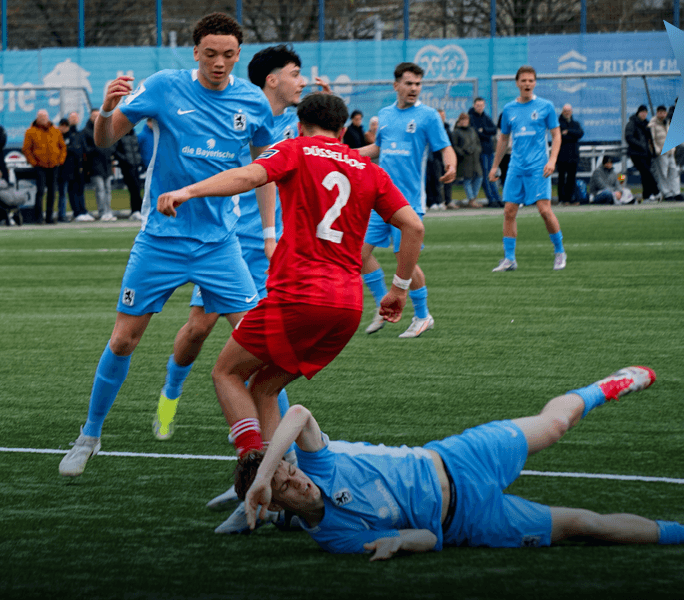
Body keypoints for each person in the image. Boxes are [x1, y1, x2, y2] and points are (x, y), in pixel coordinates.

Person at [159, 92, 422, 532]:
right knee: (264, 388)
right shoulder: (368, 169)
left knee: (225, 373)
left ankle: (254, 483)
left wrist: (190, 190)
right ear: (343, 131)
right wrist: (397, 290)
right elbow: (413, 225)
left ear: (301, 126)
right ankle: (287, 499)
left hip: (298, 295)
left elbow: (249, 175)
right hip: (346, 306)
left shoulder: (296, 149)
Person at [57, 12, 278, 478]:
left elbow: (265, 173)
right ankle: (90, 435)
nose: (219, 63)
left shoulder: (253, 102)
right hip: (161, 240)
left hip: (221, 245)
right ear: (195, 52)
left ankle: (284, 450)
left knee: (262, 344)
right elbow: (105, 139)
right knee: (123, 339)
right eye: (211, 54)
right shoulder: (163, 86)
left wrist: (267, 231)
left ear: (239, 56)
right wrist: (103, 109)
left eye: (229, 55)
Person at [236, 367, 684, 558]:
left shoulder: (319, 464)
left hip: (457, 461)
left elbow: (299, 410)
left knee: (553, 426)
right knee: (585, 526)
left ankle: (607, 387)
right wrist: (400, 541)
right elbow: (430, 541)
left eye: (288, 470)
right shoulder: (331, 537)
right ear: (278, 506)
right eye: (287, 485)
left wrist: (264, 473)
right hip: (467, 523)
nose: (296, 479)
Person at [151, 43, 312, 445]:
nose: (302, 81)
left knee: (263, 348)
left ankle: (273, 453)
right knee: (198, 329)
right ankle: (170, 396)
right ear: (271, 80)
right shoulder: (234, 117)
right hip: (231, 244)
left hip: (271, 252)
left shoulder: (296, 125)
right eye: (295, 73)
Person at [357, 62, 457, 339]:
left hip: (407, 203)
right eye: (409, 83)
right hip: (379, 200)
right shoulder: (385, 114)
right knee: (359, 253)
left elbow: (445, 147)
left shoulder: (427, 117)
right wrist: (350, 154)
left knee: (406, 262)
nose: (414, 88)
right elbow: (380, 147)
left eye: (418, 84)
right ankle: (382, 304)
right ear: (396, 85)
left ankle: (423, 316)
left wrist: (451, 164)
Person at [489, 66, 565, 272]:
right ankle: (510, 259)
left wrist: (552, 160)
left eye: (531, 80)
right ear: (517, 83)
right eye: (523, 80)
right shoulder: (509, 110)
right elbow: (503, 139)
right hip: (516, 166)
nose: (527, 84)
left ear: (535, 83)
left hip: (538, 167)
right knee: (509, 211)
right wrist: (495, 166)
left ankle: (559, 251)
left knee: (544, 211)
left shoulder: (545, 106)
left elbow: (557, 135)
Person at [22, 109, 66, 224]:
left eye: (45, 116)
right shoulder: (30, 132)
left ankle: (50, 217)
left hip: (53, 165)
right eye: (41, 117)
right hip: (40, 166)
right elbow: (26, 149)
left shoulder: (55, 131)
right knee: (40, 191)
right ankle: (39, 217)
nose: (43, 119)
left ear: (48, 117)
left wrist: (60, 161)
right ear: (37, 118)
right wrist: (33, 162)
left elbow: (62, 147)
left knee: (52, 192)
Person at [83, 108, 116, 221]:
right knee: (100, 190)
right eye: (94, 116)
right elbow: (87, 149)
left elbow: (112, 143)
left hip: (106, 164)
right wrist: (98, 149)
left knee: (108, 189)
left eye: (98, 116)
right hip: (94, 165)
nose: (96, 118)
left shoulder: (105, 128)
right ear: (91, 117)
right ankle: (102, 212)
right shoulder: (86, 131)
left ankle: (108, 211)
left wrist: (109, 151)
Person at [469, 97, 502, 208]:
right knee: (485, 175)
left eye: (481, 105)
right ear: (474, 106)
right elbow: (477, 133)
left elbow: (493, 129)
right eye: (478, 105)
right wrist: (485, 133)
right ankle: (491, 199)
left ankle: (497, 198)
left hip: (489, 150)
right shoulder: (471, 117)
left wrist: (484, 130)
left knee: (492, 174)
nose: (480, 107)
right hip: (481, 151)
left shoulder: (485, 117)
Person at [648, 106, 684, 203]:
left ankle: (676, 192)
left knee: (673, 172)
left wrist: (673, 147)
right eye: (660, 112)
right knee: (663, 174)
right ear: (657, 113)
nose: (662, 114)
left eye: (664, 112)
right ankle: (667, 193)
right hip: (661, 153)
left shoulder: (667, 122)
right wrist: (657, 150)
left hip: (670, 152)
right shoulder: (652, 124)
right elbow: (652, 139)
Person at [624, 105, 659, 203]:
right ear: (638, 112)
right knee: (647, 172)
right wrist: (641, 145)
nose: (644, 114)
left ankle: (647, 196)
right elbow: (629, 137)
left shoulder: (647, 124)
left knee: (645, 175)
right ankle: (656, 191)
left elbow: (651, 138)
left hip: (646, 154)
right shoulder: (632, 123)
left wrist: (653, 150)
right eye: (642, 112)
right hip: (636, 153)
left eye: (645, 112)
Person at [59, 112, 90, 222]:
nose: (74, 119)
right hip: (68, 167)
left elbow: (83, 149)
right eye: (72, 118)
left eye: (76, 117)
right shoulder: (64, 135)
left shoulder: (79, 133)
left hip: (79, 166)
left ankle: (83, 210)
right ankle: (76, 212)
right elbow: (67, 149)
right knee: (71, 190)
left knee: (80, 190)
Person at [451, 112, 483, 209]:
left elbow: (478, 143)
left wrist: (478, 150)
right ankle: (471, 199)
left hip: (475, 159)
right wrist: (462, 152)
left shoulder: (472, 130)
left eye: (466, 120)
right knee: (467, 179)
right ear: (459, 121)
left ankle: (473, 197)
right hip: (465, 159)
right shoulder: (456, 132)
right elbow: (454, 146)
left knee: (479, 177)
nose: (464, 122)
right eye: (462, 120)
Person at [113, 127, 145, 221]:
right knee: (134, 188)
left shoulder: (134, 135)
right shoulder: (119, 137)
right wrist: (125, 160)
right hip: (126, 167)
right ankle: (136, 210)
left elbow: (138, 150)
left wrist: (139, 161)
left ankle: (137, 210)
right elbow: (115, 151)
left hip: (136, 166)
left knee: (137, 188)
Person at [556, 104, 583, 206]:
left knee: (571, 178)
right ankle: (562, 199)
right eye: (565, 111)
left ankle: (570, 198)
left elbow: (580, 133)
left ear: (571, 112)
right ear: (562, 112)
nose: (567, 113)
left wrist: (568, 132)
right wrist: (572, 135)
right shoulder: (558, 123)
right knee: (562, 178)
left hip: (573, 156)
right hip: (562, 156)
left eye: (569, 111)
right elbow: (560, 136)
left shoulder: (575, 123)